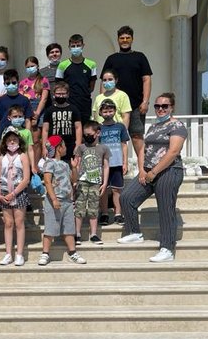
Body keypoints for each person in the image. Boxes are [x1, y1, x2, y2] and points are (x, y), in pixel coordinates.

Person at [118, 92, 187, 263]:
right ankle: (134, 232)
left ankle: (167, 248)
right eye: (157, 106)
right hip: (148, 172)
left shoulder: (177, 126)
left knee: (165, 208)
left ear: (172, 107)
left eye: (165, 106)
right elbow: (143, 149)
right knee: (126, 197)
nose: (160, 109)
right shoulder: (153, 127)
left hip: (169, 171)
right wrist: (142, 170)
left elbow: (173, 152)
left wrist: (154, 172)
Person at [103, 25, 153, 160]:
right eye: (122, 38)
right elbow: (104, 80)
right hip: (115, 106)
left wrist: (145, 101)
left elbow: (146, 79)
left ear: (132, 39)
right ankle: (116, 167)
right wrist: (103, 102)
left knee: (137, 136)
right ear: (118, 40)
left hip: (136, 105)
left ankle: (143, 168)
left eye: (127, 38)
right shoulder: (111, 59)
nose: (125, 40)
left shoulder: (140, 57)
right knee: (114, 136)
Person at [39, 137, 86, 266]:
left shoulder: (65, 164)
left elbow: (73, 180)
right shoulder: (49, 163)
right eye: (64, 145)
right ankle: (45, 253)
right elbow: (47, 181)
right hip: (54, 201)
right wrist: (54, 199)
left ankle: (72, 252)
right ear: (58, 148)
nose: (66, 148)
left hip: (67, 201)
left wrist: (74, 168)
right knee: (50, 227)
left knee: (69, 228)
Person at [0, 127, 31, 266]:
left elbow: (26, 179)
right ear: (5, 142)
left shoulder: (23, 156)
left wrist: (14, 193)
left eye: (14, 139)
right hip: (5, 192)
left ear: (19, 141)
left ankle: (19, 254)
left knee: (19, 223)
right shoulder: (1, 158)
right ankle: (8, 253)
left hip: (18, 192)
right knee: (8, 223)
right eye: (9, 140)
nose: (12, 142)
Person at [73, 121, 110, 246]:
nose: (87, 137)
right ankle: (77, 233)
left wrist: (104, 183)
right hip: (82, 181)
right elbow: (77, 165)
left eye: (89, 134)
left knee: (93, 209)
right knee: (79, 208)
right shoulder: (81, 148)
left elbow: (106, 166)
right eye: (85, 135)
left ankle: (93, 234)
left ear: (97, 133)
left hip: (96, 182)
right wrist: (75, 180)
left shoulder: (103, 148)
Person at [96, 99, 130, 226]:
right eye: (105, 111)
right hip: (102, 164)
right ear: (100, 112)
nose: (108, 113)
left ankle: (118, 214)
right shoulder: (98, 127)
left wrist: (125, 162)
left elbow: (124, 145)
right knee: (103, 189)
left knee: (117, 189)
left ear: (115, 111)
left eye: (110, 111)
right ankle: (104, 213)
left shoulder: (120, 126)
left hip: (117, 163)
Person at [56, 34, 98, 122]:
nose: (76, 48)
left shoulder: (91, 64)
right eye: (73, 46)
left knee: (85, 127)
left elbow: (92, 86)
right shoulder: (62, 65)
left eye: (78, 45)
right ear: (69, 47)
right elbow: (59, 85)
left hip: (85, 104)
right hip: (68, 103)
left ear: (83, 46)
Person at [42, 81, 82, 164]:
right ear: (54, 94)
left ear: (68, 94)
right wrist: (44, 147)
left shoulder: (74, 109)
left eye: (63, 94)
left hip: (70, 144)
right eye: (58, 94)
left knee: (70, 166)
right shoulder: (49, 110)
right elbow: (45, 130)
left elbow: (78, 127)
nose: (61, 96)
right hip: (52, 145)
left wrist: (78, 145)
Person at [20, 56, 50, 158]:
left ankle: (36, 164)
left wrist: (37, 113)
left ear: (37, 66)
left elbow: (44, 99)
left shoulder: (43, 80)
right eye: (28, 67)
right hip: (26, 111)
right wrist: (29, 113)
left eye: (32, 66)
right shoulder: (22, 82)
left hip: (39, 111)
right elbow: (21, 100)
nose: (30, 68)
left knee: (37, 140)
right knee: (28, 140)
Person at [0, 69, 32, 141]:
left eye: (13, 82)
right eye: (8, 83)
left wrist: (27, 138)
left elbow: (28, 120)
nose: (11, 85)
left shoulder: (25, 100)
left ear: (18, 83)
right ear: (4, 84)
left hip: (21, 137)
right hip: (3, 137)